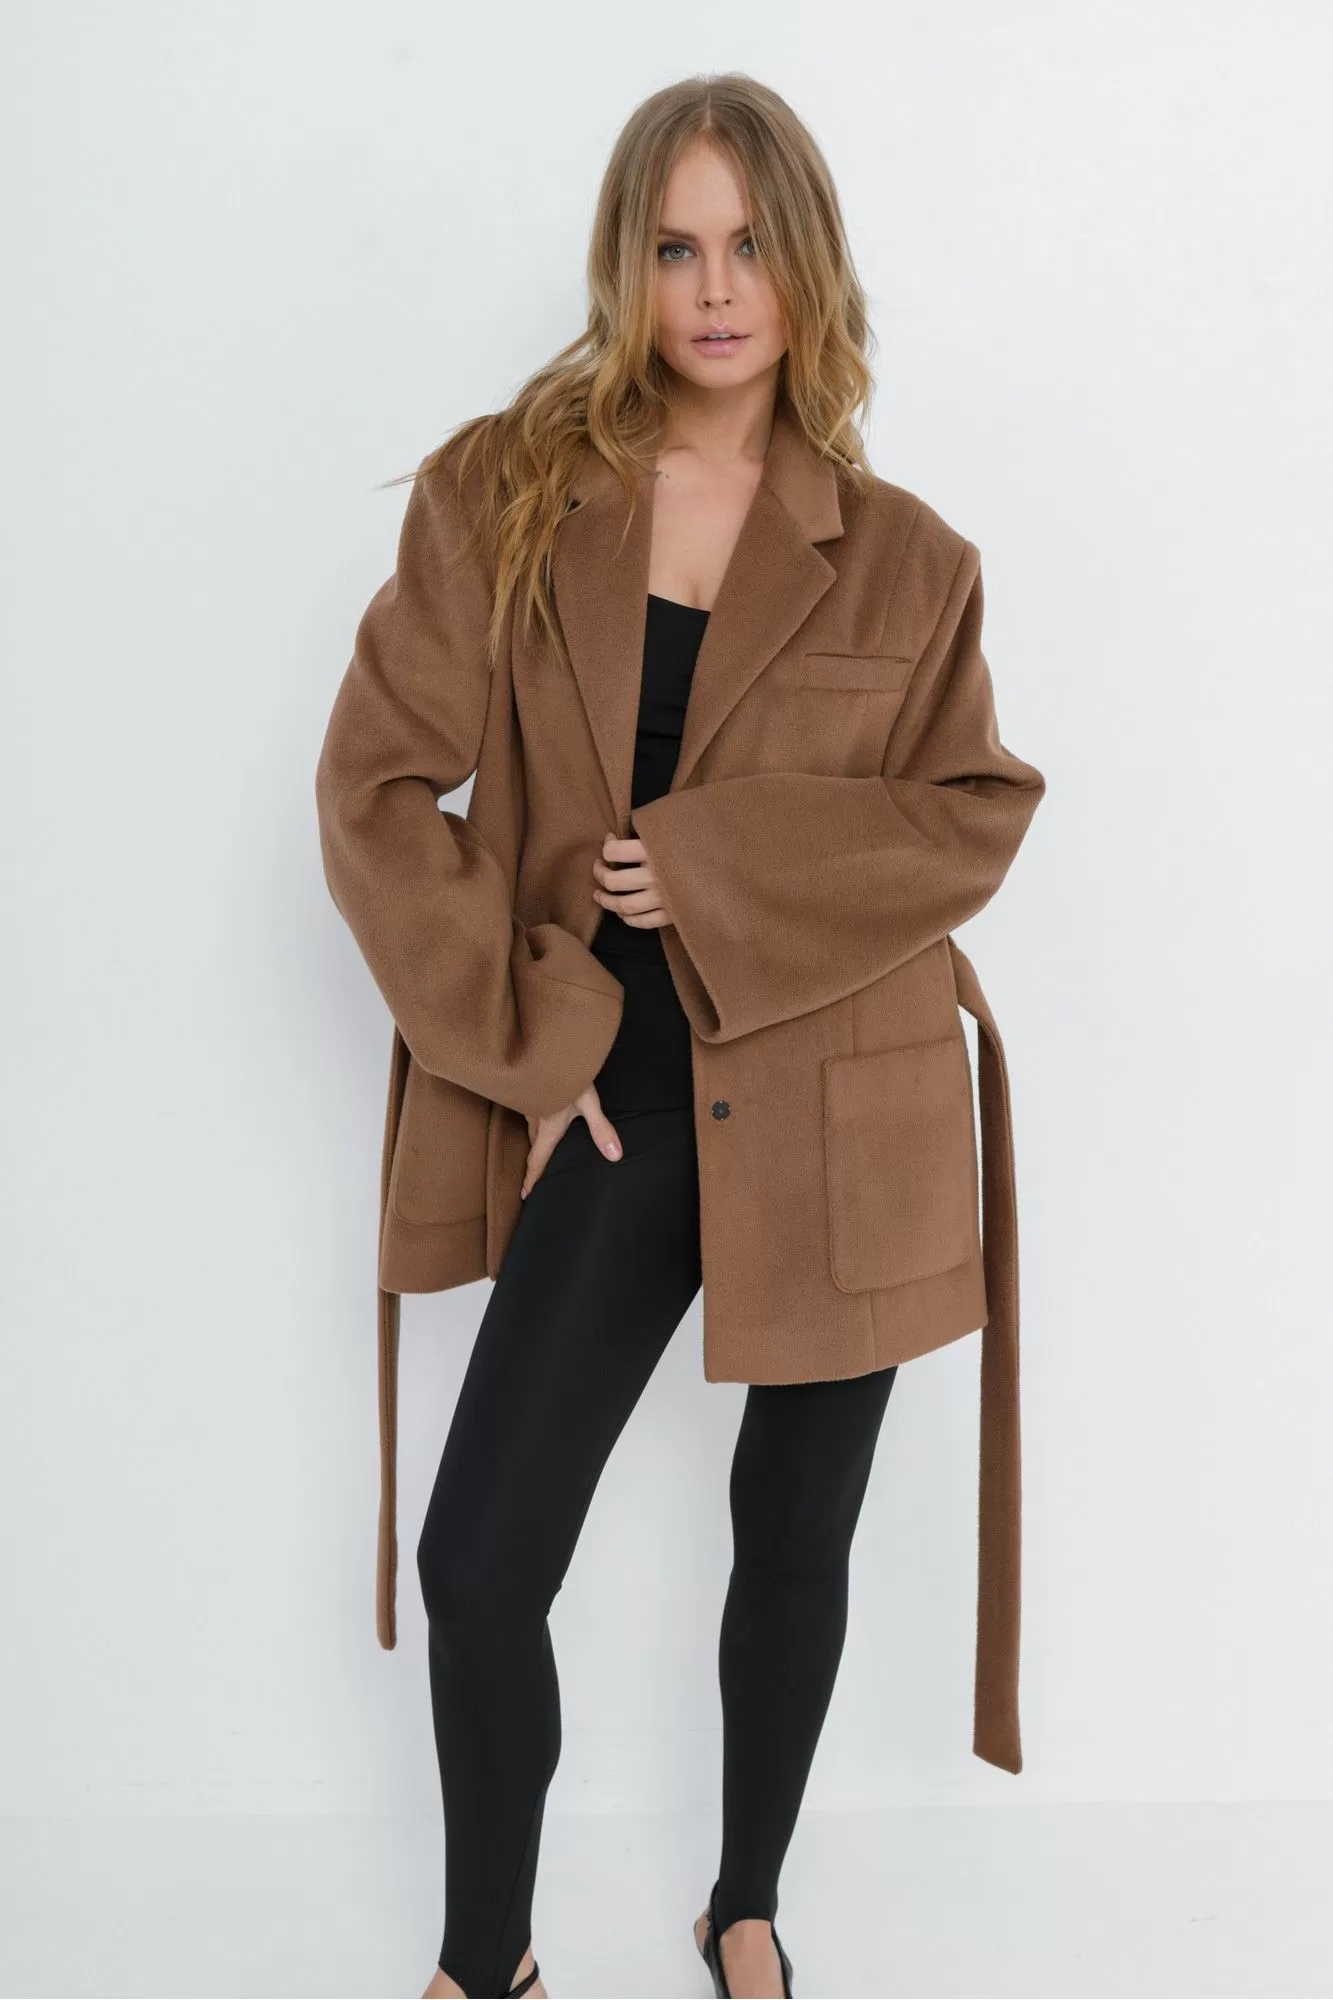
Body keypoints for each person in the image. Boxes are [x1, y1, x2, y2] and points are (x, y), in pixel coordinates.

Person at [315, 72, 1046, 2000]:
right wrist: (530, 1044)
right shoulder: (506, 491)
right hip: (614, 1086)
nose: (714, 292)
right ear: (626, 268)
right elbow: (376, 791)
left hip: (845, 1093)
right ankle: (488, 1960)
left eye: (748, 247)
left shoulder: (911, 556)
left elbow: (973, 816)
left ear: (807, 269)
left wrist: (718, 861)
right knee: (482, 1560)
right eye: (673, 248)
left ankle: (746, 1908)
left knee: (793, 1538)